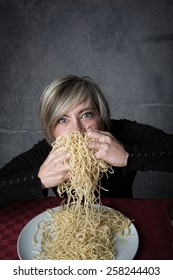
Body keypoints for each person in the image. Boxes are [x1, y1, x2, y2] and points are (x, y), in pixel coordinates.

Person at [0, 75, 173, 208]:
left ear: (101, 117)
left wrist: (129, 156)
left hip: (125, 225)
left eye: (86, 115)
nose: (77, 129)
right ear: (51, 129)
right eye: (62, 119)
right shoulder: (49, 152)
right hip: (72, 231)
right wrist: (38, 179)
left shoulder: (123, 132)